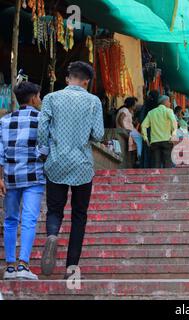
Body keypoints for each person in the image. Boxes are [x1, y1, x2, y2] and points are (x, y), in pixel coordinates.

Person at [38, 61, 104, 278]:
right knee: (79, 215)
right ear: (87, 81)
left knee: (55, 210)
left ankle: (52, 235)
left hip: (56, 162)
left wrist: (45, 152)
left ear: (67, 78)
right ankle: (71, 267)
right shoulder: (93, 101)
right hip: (82, 165)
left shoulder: (50, 98)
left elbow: (42, 130)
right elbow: (98, 135)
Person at [0, 82, 46, 280]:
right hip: (34, 176)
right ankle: (23, 265)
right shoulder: (42, 119)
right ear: (34, 97)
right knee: (28, 220)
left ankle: (9, 267)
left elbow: (0, 152)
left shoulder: (4, 121)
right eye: (39, 96)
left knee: (10, 220)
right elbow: (45, 149)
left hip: (10, 178)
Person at [141, 95, 177, 168]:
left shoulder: (151, 112)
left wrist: (146, 138)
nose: (170, 103)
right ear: (165, 102)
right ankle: (167, 178)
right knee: (167, 163)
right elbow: (174, 122)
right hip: (166, 140)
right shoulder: (169, 111)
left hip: (154, 142)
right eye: (169, 101)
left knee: (156, 164)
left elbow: (143, 126)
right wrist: (173, 134)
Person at [116, 97, 143, 163]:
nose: (136, 106)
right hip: (127, 130)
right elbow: (120, 119)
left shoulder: (127, 111)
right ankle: (139, 157)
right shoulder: (125, 110)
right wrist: (124, 129)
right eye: (135, 104)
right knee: (140, 138)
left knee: (139, 138)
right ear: (132, 104)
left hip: (130, 130)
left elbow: (126, 121)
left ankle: (138, 156)